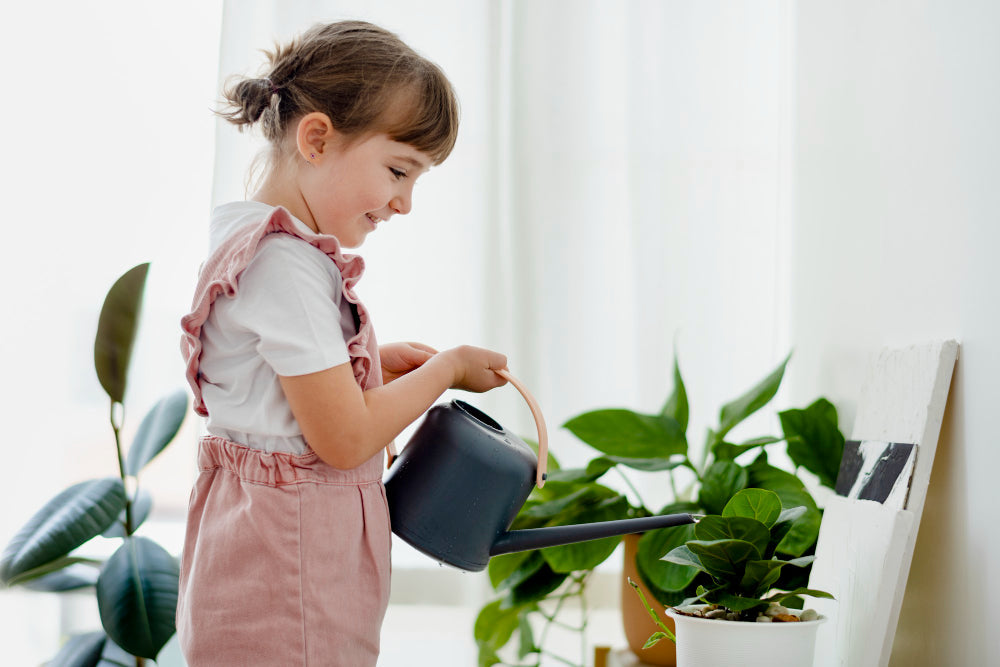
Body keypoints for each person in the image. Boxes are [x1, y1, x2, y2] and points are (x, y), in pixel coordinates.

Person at [177, 20, 508, 666]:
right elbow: (345, 438)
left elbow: (270, 394)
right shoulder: (285, 266)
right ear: (317, 139)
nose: (405, 203)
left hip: (261, 558)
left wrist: (370, 366)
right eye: (398, 170)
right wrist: (445, 371)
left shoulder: (251, 243)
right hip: (290, 573)